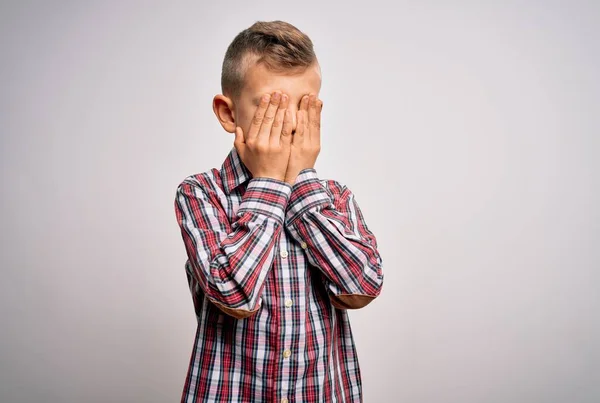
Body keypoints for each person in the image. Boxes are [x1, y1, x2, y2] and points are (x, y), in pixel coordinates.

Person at [174, 20, 384, 403]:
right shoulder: (201, 194)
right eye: (273, 106)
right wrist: (270, 180)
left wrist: (301, 181)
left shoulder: (334, 198)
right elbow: (233, 294)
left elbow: (362, 287)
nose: (288, 125)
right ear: (228, 113)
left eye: (303, 107)